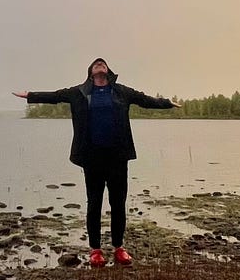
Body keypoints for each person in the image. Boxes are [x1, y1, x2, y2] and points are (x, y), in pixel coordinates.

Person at [13, 58, 179, 267]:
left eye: (103, 63)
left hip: (117, 157)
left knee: (118, 203)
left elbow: (144, 99)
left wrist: (166, 103)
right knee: (94, 203)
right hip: (91, 157)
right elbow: (55, 96)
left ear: (108, 71)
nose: (100, 64)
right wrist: (30, 95)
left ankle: (119, 248)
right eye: (96, 64)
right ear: (91, 72)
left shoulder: (121, 91)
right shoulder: (79, 92)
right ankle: (95, 250)